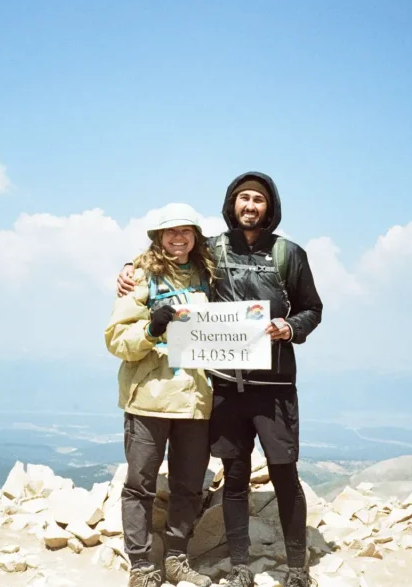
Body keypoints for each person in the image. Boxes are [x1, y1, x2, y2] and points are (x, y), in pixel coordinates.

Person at [117, 173, 323, 587]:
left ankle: (297, 569)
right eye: (244, 198)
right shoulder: (213, 249)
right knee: (234, 473)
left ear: (270, 207)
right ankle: (241, 565)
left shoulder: (289, 254)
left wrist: (290, 327)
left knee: (285, 472)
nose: (251, 206)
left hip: (276, 386)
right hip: (226, 386)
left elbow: (312, 309)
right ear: (232, 204)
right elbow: (169, 252)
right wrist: (129, 266)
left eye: (259, 200)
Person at [104, 203, 218, 587]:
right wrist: (151, 330)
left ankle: (175, 559)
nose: (179, 237)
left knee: (188, 485)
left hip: (195, 398)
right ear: (157, 236)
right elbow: (117, 340)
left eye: (186, 231)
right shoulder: (139, 276)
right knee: (140, 485)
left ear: (196, 236)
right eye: (170, 232)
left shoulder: (210, 274)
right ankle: (139, 567)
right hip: (149, 397)